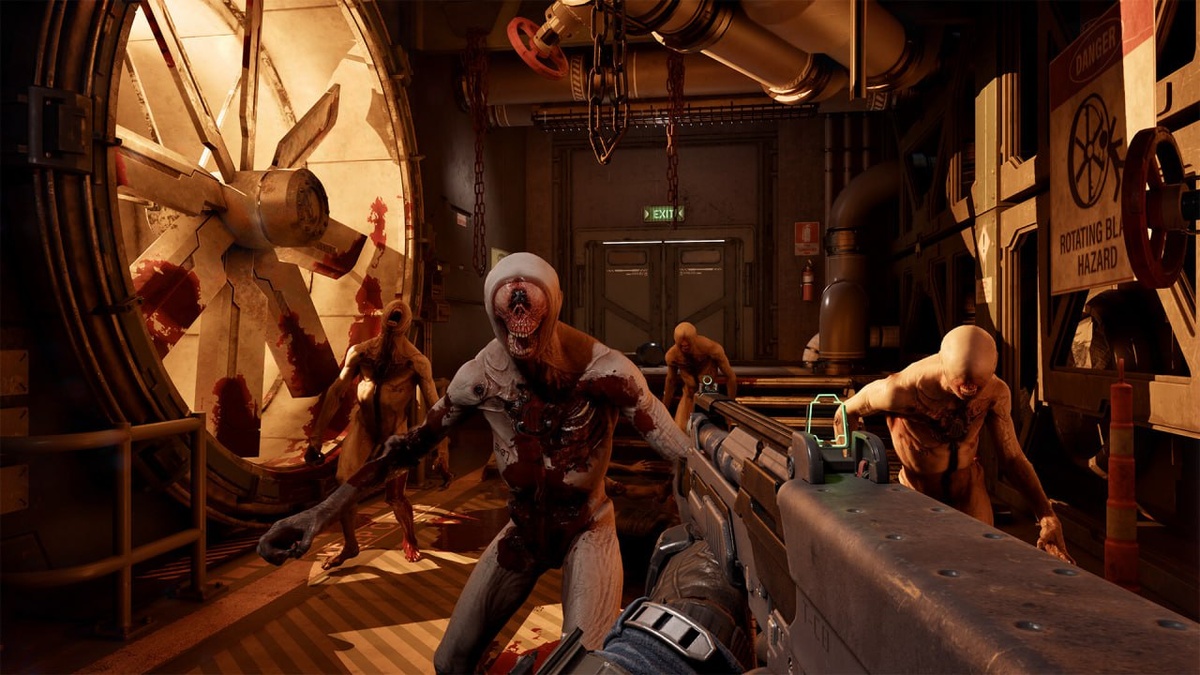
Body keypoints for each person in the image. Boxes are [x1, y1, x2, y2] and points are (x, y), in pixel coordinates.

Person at [259, 252, 690, 674]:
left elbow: (680, 452)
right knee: (449, 662)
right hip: (524, 530)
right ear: (492, 314)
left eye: (530, 311)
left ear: (554, 305)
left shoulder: (606, 372)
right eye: (508, 315)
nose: (520, 327)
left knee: (585, 668)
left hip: (587, 527)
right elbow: (406, 449)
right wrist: (320, 514)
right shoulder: (481, 377)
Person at [833, 325, 1074, 563]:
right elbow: (845, 412)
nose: (971, 391)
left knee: (982, 564)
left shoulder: (995, 392)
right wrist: (850, 477)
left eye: (977, 386)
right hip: (918, 491)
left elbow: (1012, 458)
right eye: (963, 385)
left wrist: (1046, 515)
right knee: (920, 569)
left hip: (968, 489)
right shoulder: (900, 390)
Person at [304, 297, 443, 567]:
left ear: (405, 325)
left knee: (395, 496)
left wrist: (442, 451)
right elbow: (336, 391)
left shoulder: (415, 362)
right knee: (344, 484)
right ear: (383, 320)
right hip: (364, 428)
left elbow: (436, 409)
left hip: (394, 434)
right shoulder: (361, 353)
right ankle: (350, 545)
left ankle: (409, 538)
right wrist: (316, 438)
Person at [661, 322, 738, 431]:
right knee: (680, 430)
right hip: (689, 395)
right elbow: (670, 382)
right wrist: (664, 410)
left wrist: (730, 410)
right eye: (681, 345)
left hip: (710, 394)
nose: (685, 346)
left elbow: (731, 377)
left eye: (688, 343)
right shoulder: (673, 355)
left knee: (715, 434)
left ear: (694, 339)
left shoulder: (711, 348)